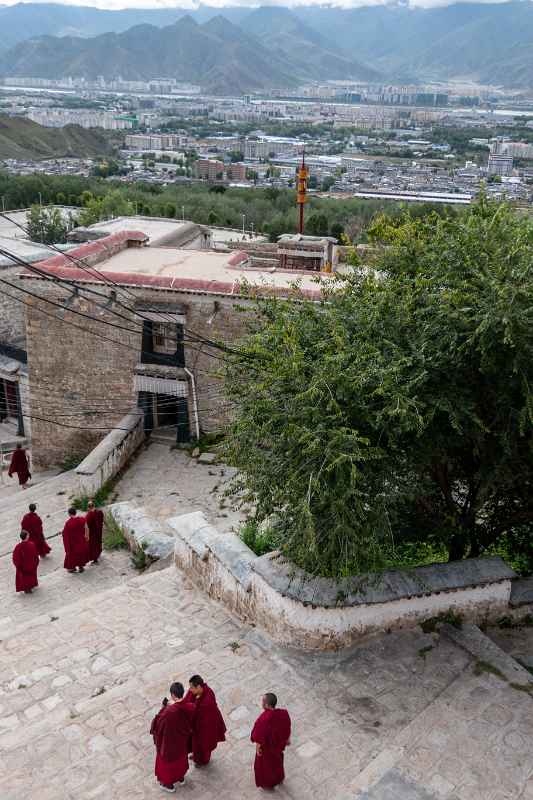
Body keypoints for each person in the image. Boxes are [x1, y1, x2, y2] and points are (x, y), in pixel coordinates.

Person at [150, 682, 195, 793]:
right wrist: (171, 706)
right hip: (182, 741)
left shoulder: (168, 712)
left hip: (169, 744)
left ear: (173, 695)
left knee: (167, 764)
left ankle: (168, 785)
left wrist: (163, 708)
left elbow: (157, 724)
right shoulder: (190, 706)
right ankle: (180, 778)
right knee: (180, 759)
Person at [251, 693, 291, 791]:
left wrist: (258, 748)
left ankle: (268, 784)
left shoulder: (263, 719)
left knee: (265, 767)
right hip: (277, 747)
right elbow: (287, 727)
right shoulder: (283, 713)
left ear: (267, 705)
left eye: (263, 702)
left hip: (267, 749)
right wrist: (287, 739)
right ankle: (279, 778)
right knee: (277, 763)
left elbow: (258, 736)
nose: (261, 703)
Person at [184, 675, 226, 766]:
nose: (190, 690)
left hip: (205, 728)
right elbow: (187, 701)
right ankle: (196, 756)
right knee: (195, 744)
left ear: (199, 687)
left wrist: (196, 702)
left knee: (204, 746)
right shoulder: (195, 692)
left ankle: (203, 761)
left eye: (192, 688)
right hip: (196, 727)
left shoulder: (208, 700)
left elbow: (200, 716)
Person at [62, 507, 88, 573]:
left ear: (69, 514)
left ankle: (72, 568)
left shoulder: (68, 523)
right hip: (81, 540)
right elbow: (86, 527)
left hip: (73, 542)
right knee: (81, 554)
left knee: (73, 555)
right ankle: (81, 567)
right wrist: (87, 536)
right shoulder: (82, 519)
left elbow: (65, 534)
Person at [85, 500, 104, 564]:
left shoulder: (89, 515)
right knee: (98, 542)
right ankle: (99, 552)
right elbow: (101, 520)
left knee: (93, 545)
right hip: (99, 531)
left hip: (92, 533)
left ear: (88, 507)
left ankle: (95, 559)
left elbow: (87, 525)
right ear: (94, 505)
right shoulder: (100, 512)